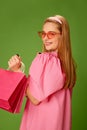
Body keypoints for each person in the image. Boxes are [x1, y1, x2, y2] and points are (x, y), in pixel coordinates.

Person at [8, 15, 76, 130]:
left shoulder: (50, 62)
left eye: (51, 34)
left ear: (63, 35)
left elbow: (34, 97)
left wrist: (17, 72)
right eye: (43, 34)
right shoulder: (66, 64)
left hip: (40, 123)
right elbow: (31, 91)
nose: (45, 38)